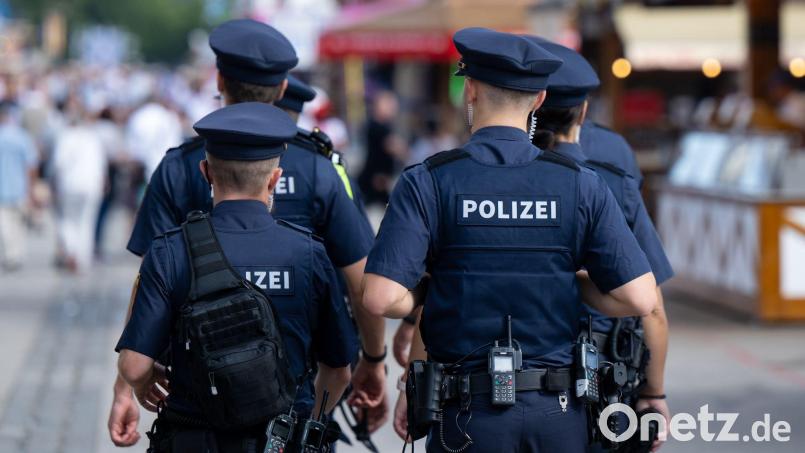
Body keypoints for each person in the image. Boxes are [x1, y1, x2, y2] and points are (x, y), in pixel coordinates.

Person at [362, 28, 658, 453]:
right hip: (559, 414)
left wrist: (434, 289)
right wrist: (566, 282)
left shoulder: (429, 180)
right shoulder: (580, 184)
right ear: (539, 100)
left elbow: (379, 298)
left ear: (471, 91)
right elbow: (640, 298)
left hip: (466, 418)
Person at [110, 19, 386, 447]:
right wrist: (373, 359)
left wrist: (126, 388)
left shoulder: (179, 165)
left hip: (193, 412)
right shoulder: (319, 169)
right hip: (287, 411)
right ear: (282, 89)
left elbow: (149, 281)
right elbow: (359, 281)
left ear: (219, 79)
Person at [116, 102, 357, 451]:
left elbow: (135, 366)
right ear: (274, 179)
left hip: (193, 439)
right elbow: (338, 371)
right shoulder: (309, 253)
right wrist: (303, 421)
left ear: (206, 172)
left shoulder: (171, 250)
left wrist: (141, 386)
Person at [526, 36, 673, 452]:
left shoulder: (488, 173)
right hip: (604, 378)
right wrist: (655, 393)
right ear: (584, 110)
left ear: (530, 103)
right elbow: (653, 304)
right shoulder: (614, 164)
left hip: (513, 372)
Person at [50, 105, 107, 273]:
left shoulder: (65, 137)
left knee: (68, 220)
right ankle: (82, 260)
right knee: (87, 222)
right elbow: (101, 165)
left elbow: (58, 164)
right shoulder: (92, 137)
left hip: (69, 184)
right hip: (91, 185)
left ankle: (71, 251)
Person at [0, 102, 38, 272]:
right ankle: (16, 254)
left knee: (6, 225)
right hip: (19, 187)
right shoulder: (22, 137)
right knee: (18, 224)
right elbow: (31, 165)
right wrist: (32, 188)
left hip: (4, 189)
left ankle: (11, 255)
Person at [358, 90, 407, 206]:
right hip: (373, 183)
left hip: (380, 184)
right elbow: (396, 147)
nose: (393, 109)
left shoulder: (385, 127)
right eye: (389, 105)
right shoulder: (376, 127)